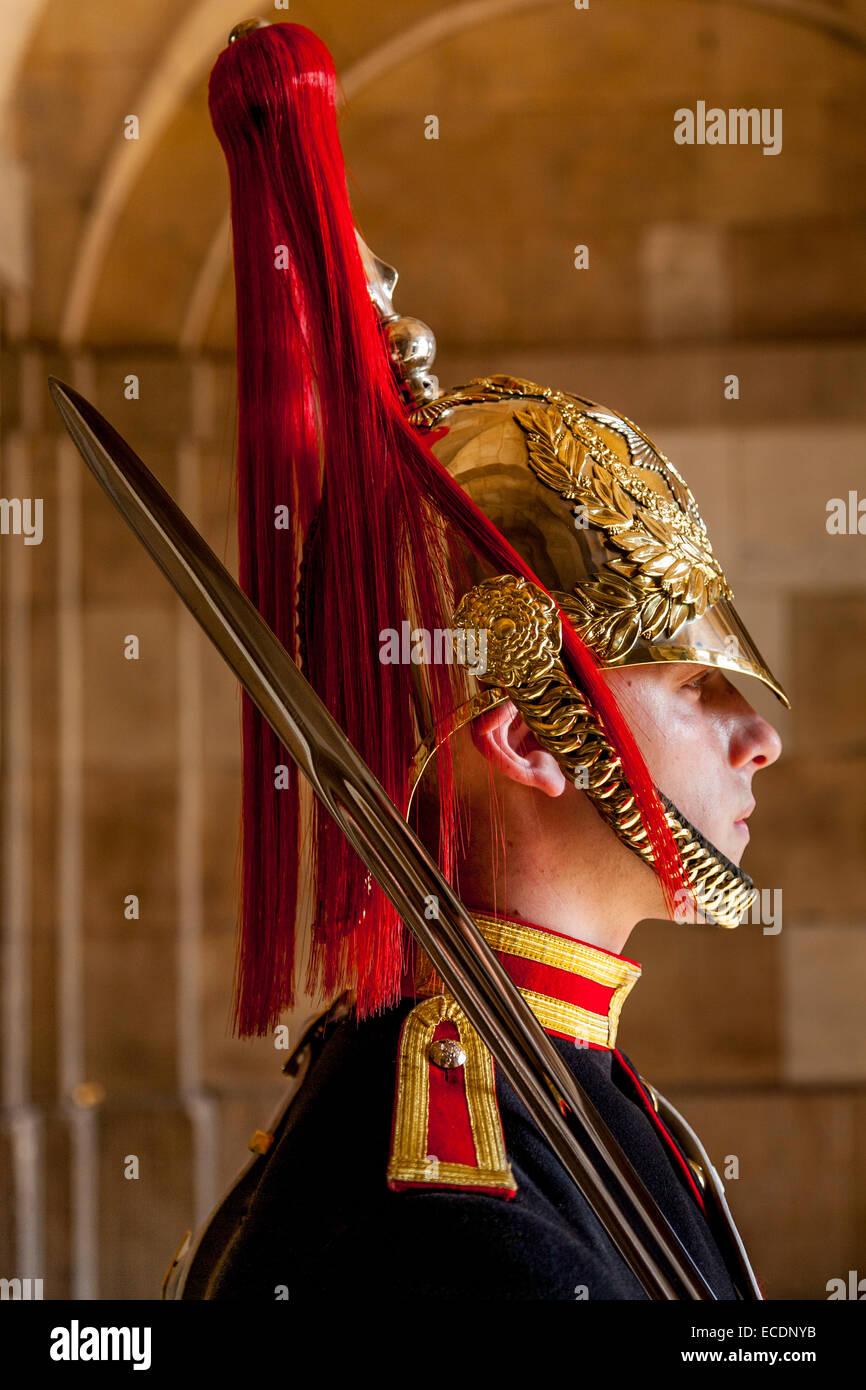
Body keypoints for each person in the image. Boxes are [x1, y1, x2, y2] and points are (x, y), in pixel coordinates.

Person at [163, 19, 786, 1301]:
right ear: (522, 733)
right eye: (691, 685)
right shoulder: (450, 1203)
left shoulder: (567, 1087)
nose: (760, 737)